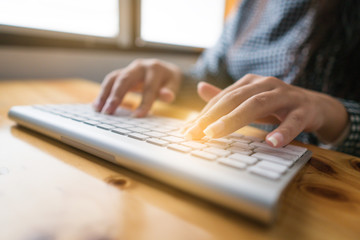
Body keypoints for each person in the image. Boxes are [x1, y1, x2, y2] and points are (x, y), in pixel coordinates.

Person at [93, 0, 360, 157]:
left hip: (327, 170)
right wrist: (172, 79)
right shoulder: (249, 7)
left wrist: (332, 113)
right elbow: (212, 82)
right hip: (238, 150)